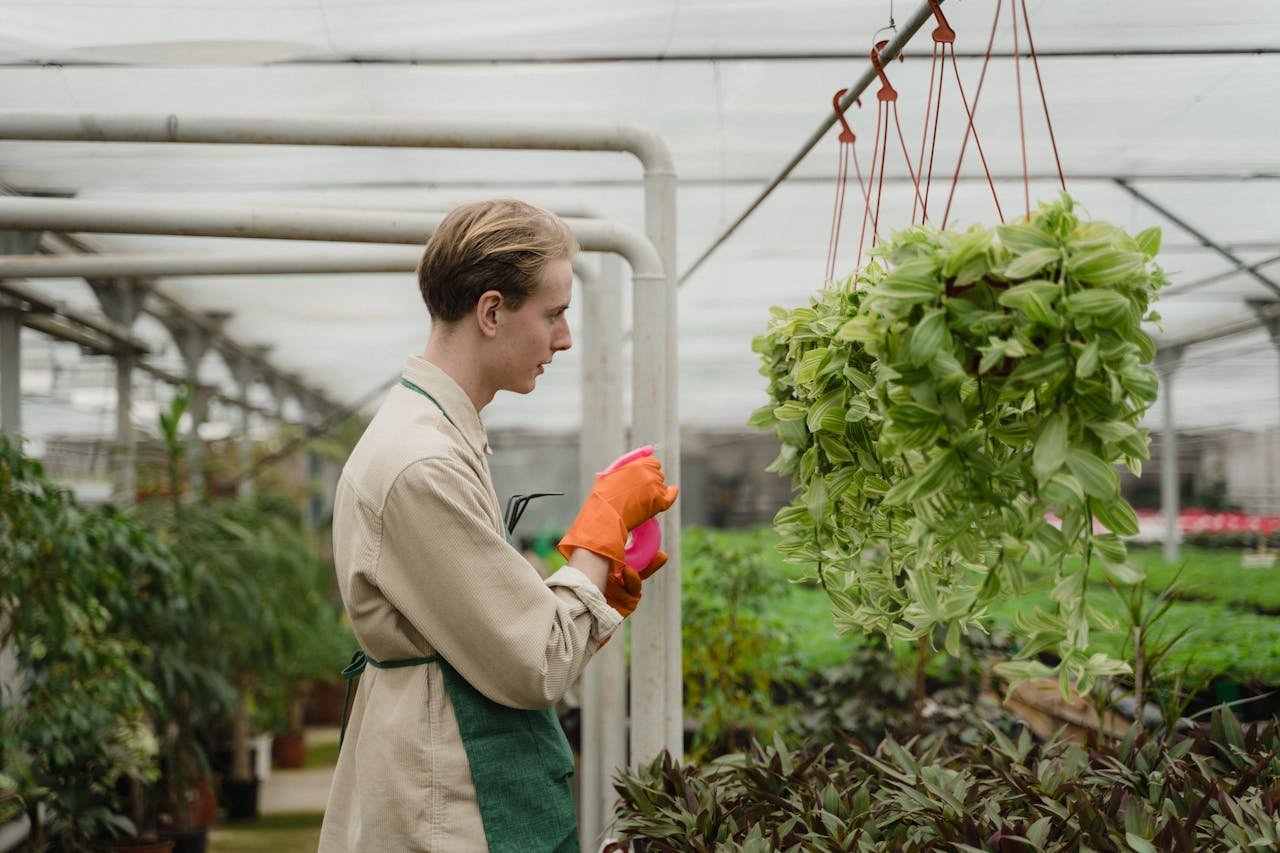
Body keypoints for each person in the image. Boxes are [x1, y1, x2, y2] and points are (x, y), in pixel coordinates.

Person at [318, 198, 678, 852]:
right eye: (555, 314)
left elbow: (493, 629)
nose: (564, 339)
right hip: (447, 797)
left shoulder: (439, 434)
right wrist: (601, 525)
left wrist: (594, 588)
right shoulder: (420, 462)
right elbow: (532, 661)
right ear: (491, 311)